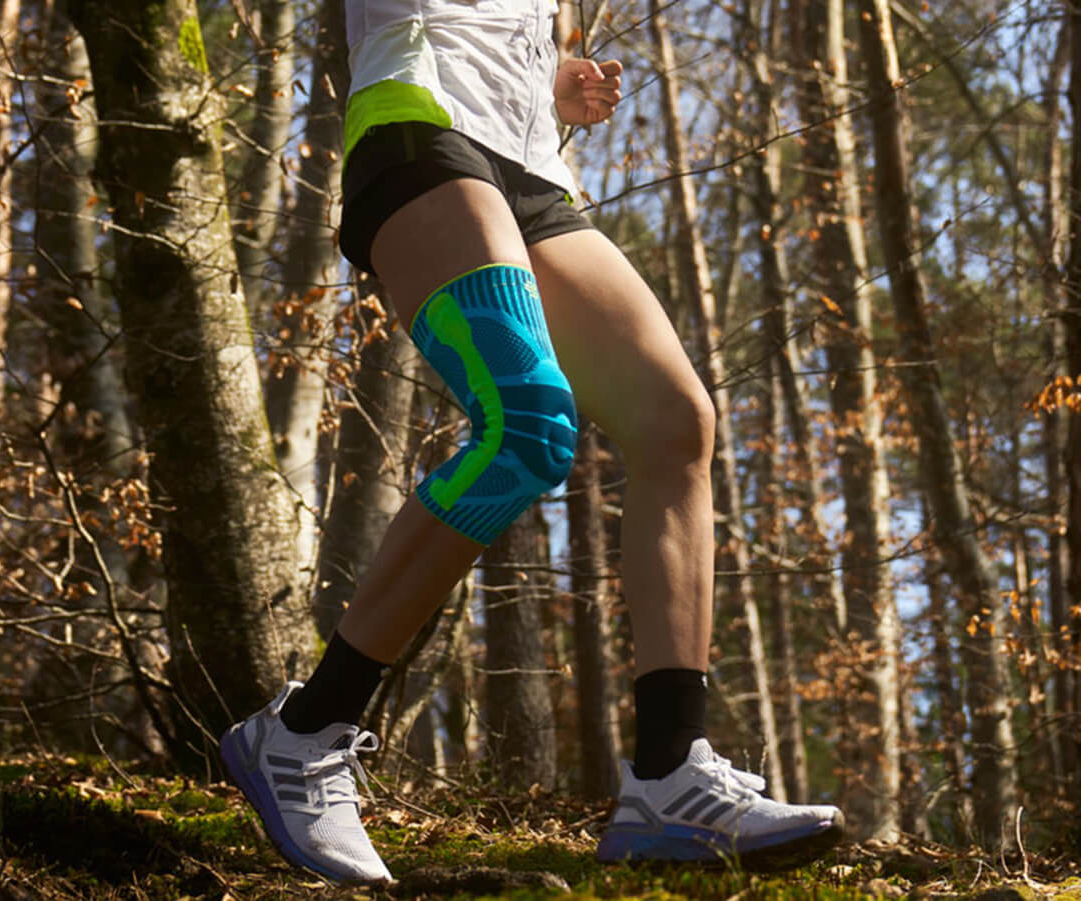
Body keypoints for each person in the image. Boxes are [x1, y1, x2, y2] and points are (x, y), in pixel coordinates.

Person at [219, 0, 845, 884]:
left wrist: (558, 82)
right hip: (419, 126)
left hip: (530, 167)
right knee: (529, 426)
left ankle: (670, 774)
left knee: (677, 422)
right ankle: (304, 730)